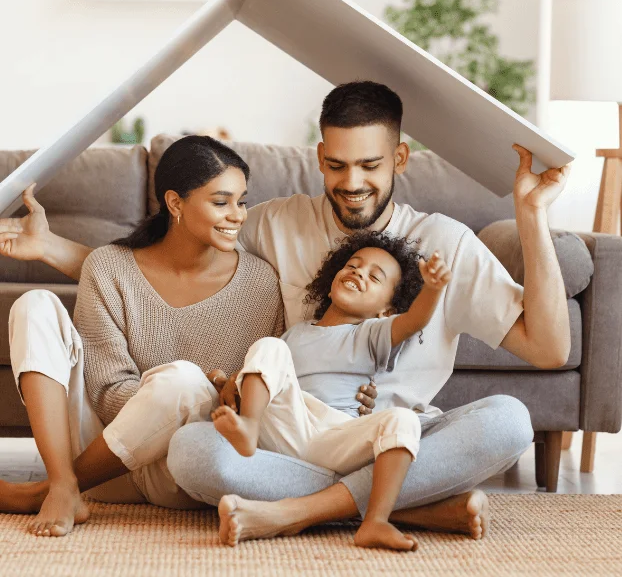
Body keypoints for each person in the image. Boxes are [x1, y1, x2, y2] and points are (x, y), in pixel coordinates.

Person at [0, 80, 571, 543]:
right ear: (320, 156)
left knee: (510, 421)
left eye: (370, 165)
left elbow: (549, 350)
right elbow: (169, 268)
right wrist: (52, 249)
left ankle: (300, 512)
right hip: (284, 439)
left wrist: (530, 215)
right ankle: (402, 506)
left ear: (400, 157)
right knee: (194, 452)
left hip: (393, 439)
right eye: (338, 165)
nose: (353, 183)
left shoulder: (442, 242)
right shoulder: (275, 223)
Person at [0, 136, 284, 537]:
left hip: (186, 464)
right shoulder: (109, 267)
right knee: (34, 305)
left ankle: (48, 491)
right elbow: (107, 394)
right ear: (175, 203)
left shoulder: (261, 281)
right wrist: (177, 392)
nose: (237, 215)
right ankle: (63, 482)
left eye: (241, 201)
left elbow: (260, 392)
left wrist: (215, 391)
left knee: (184, 381)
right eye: (221, 202)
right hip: (109, 464)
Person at [212, 232, 451, 550]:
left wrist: (433, 289)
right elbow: (266, 373)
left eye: (374, 277)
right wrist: (227, 382)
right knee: (269, 346)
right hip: (285, 427)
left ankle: (376, 521)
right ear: (333, 276)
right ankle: (248, 427)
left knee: (403, 420)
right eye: (353, 265)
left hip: (334, 435)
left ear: (386, 309)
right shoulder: (295, 332)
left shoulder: (370, 334)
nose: (358, 273)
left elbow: (415, 321)